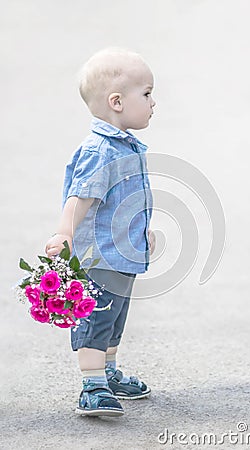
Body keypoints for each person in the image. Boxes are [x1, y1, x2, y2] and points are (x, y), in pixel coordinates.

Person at [44, 48, 156, 417]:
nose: (153, 102)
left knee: (114, 317)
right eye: (147, 93)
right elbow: (83, 196)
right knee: (96, 318)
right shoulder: (100, 150)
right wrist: (65, 232)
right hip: (101, 256)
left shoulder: (124, 146)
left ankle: (105, 372)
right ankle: (91, 387)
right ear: (117, 102)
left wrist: (142, 233)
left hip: (123, 254)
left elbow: (124, 200)